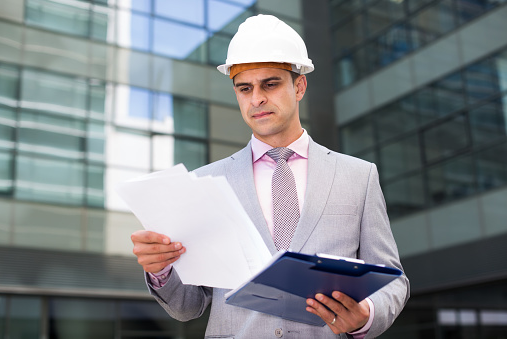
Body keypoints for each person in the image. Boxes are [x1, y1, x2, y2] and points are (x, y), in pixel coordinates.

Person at [131, 14, 409, 339]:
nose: (257, 99)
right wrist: (161, 269)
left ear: (299, 85)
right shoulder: (205, 184)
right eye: (244, 88)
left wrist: (364, 315)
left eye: (271, 84)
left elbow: (393, 280)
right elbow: (187, 306)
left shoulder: (358, 177)